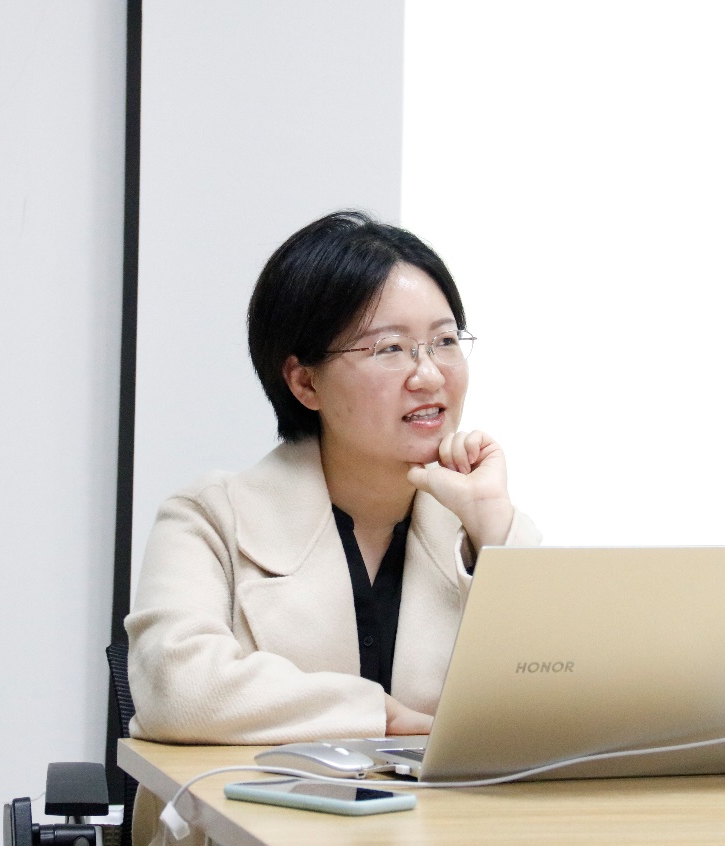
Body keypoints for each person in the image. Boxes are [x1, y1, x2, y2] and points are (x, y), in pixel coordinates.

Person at [125, 210, 540, 844]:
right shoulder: (209, 518)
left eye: (445, 341)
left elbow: (557, 708)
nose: (430, 374)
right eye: (390, 349)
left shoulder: (483, 527)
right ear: (304, 381)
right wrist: (374, 715)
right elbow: (175, 687)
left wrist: (493, 533)